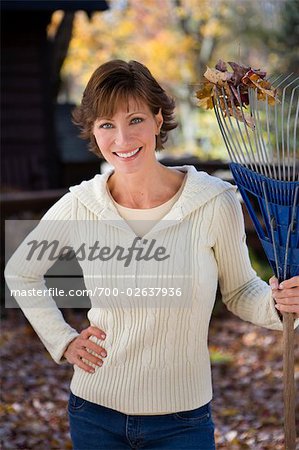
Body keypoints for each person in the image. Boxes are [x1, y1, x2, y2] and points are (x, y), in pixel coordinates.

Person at [5, 59, 299, 450]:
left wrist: (279, 306)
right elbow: (21, 273)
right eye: (107, 125)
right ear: (93, 132)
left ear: (159, 120)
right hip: (95, 413)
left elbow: (241, 290)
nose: (122, 139)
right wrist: (63, 340)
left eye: (136, 120)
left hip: (183, 422)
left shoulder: (212, 201)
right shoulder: (81, 205)